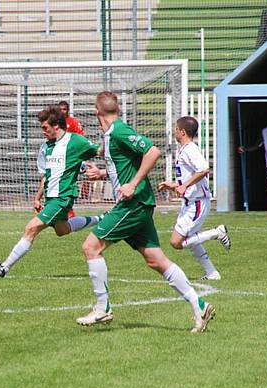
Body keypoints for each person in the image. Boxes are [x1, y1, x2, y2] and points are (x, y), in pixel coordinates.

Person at [80, 91, 216, 333]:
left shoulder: (119, 131)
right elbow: (124, 164)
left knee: (91, 247)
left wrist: (133, 184)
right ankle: (200, 306)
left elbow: (152, 152)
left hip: (133, 204)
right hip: (139, 204)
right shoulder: (112, 135)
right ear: (117, 109)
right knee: (156, 260)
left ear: (96, 111)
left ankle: (103, 308)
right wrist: (101, 174)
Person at [0, 106, 101, 278]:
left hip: (62, 198)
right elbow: (46, 177)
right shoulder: (46, 147)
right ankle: (101, 218)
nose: (43, 132)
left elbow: (99, 150)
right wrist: (37, 198)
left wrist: (101, 170)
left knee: (31, 228)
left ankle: (4, 267)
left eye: (45, 128)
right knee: (62, 230)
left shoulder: (75, 141)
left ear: (56, 125)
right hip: (50, 198)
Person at [157, 116, 231, 281]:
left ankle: (216, 232)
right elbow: (190, 175)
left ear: (182, 132)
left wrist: (185, 186)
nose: (174, 132)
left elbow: (204, 169)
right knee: (192, 240)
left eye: (176, 129)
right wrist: (175, 185)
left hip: (197, 202)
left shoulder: (190, 149)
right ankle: (212, 273)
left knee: (176, 242)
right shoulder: (183, 149)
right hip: (191, 202)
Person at [58, 100, 90, 208]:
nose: (62, 111)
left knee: (80, 173)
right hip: (61, 154)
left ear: (68, 110)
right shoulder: (56, 122)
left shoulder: (73, 122)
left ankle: (83, 196)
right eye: (60, 109)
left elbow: (81, 136)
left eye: (64, 109)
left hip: (74, 154)